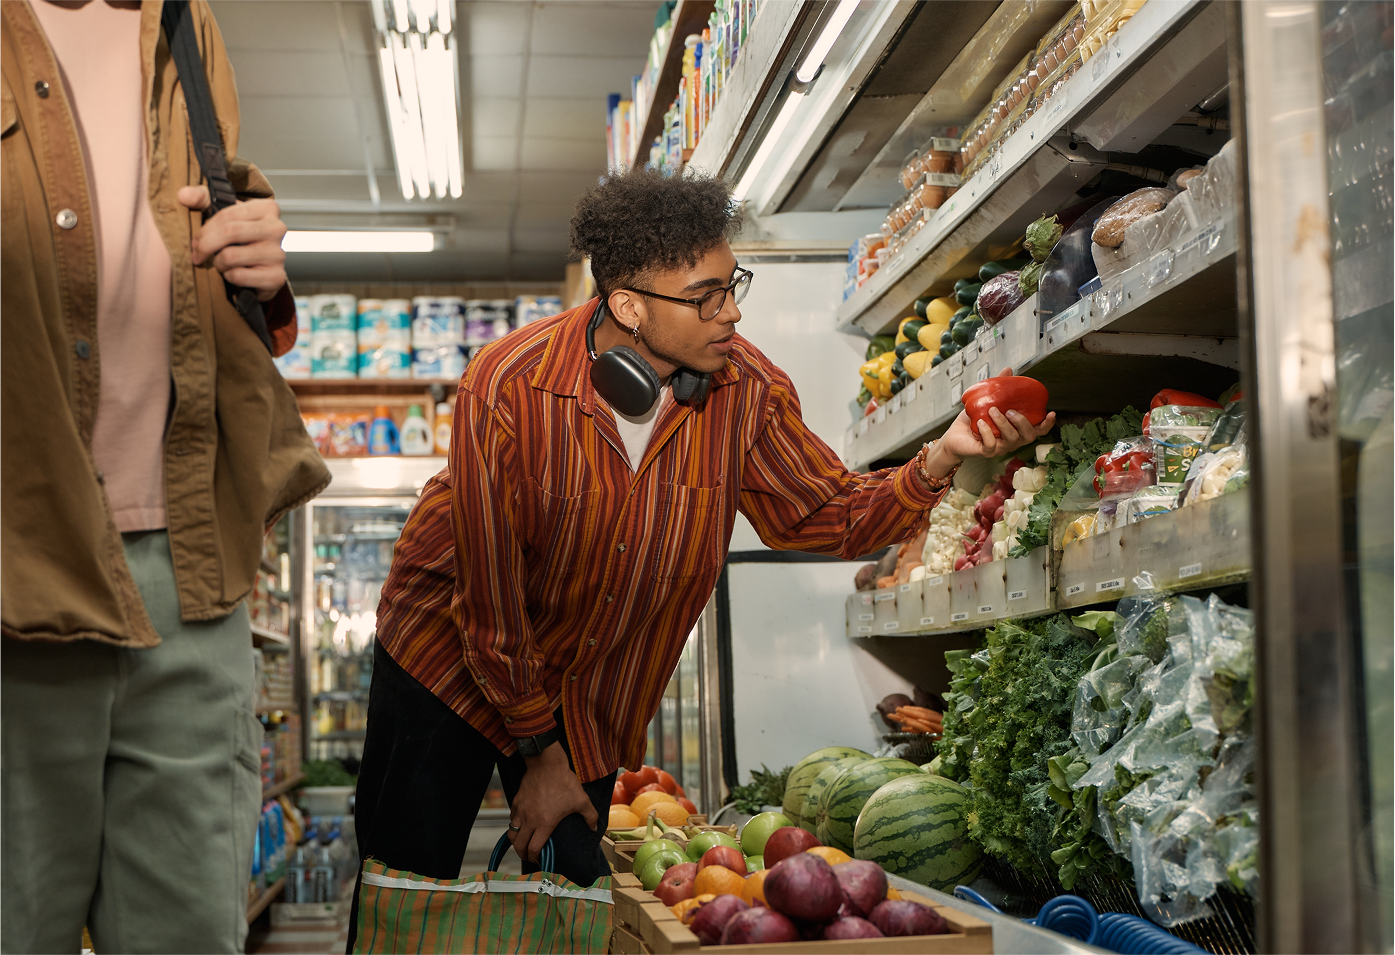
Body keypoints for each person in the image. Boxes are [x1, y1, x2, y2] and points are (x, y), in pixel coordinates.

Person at [345, 169, 1053, 945]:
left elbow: (821, 513)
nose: (732, 310)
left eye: (733, 284)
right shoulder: (508, 384)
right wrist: (534, 754)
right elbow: (488, 598)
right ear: (627, 306)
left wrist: (941, 457)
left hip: (590, 685)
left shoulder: (744, 388)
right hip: (446, 655)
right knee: (406, 883)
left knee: (579, 896)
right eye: (706, 294)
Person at [0, 1, 329, 952]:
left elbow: (207, 272)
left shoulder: (185, 25)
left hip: (192, 571)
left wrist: (261, 265)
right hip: (20, 565)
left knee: (189, 931)